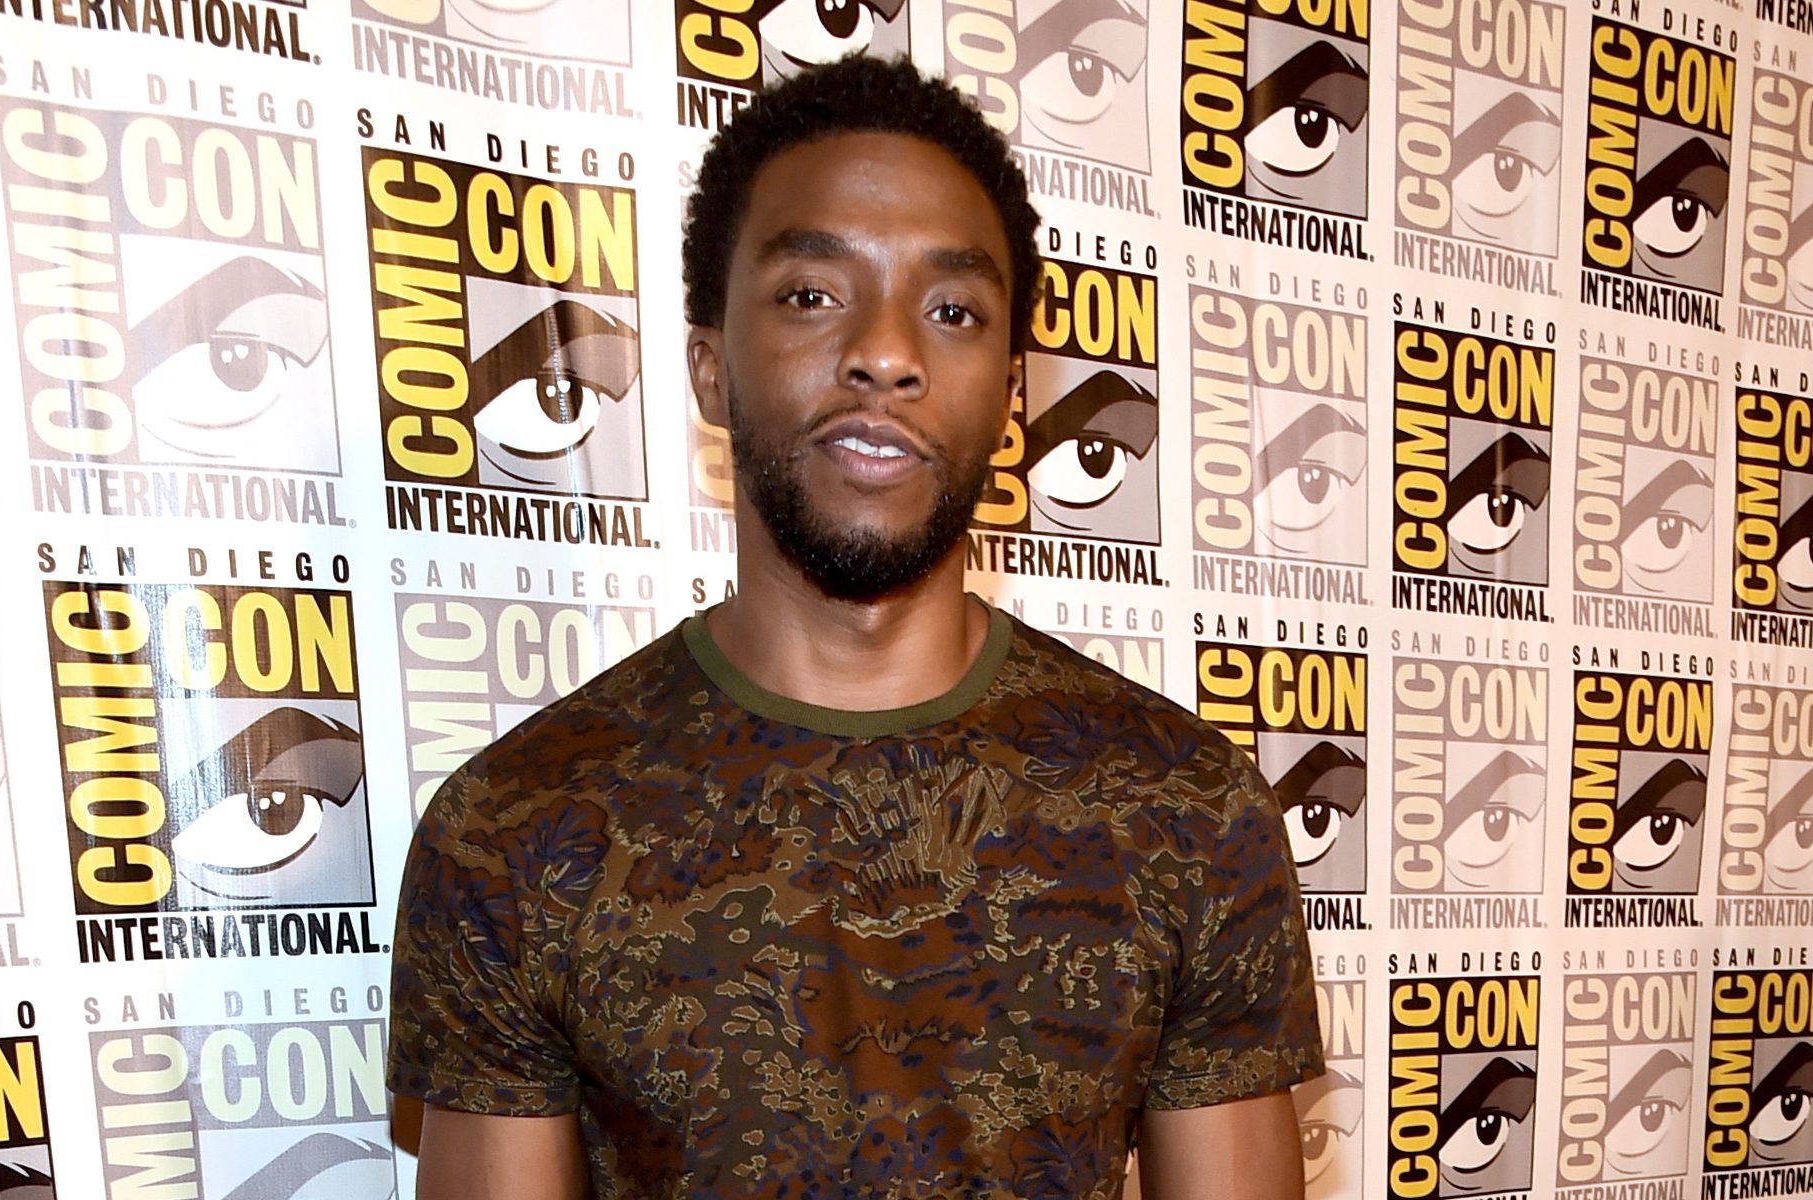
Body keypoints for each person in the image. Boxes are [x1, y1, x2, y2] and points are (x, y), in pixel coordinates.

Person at [388, 55, 1322, 1199]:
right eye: (811, 294)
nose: (887, 353)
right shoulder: (514, 832)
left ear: (1010, 395)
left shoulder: (1188, 810)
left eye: (952, 310)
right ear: (708, 370)